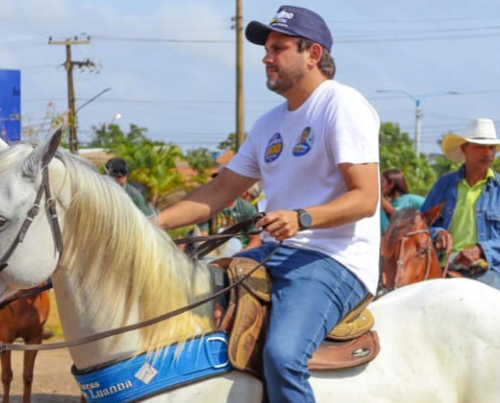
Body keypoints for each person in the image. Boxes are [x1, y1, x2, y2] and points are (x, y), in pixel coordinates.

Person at [157, 6, 380, 402]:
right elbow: (217, 192)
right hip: (277, 252)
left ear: (312, 53)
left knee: (282, 357)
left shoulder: (341, 105)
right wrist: (152, 224)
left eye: (278, 48)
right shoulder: (269, 124)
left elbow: (365, 198)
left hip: (335, 259)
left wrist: (302, 218)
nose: (266, 57)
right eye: (267, 49)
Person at [420, 118, 500, 294]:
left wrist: (481, 250)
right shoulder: (444, 185)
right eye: (480, 147)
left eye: (491, 148)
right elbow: (420, 224)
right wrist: (437, 232)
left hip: (491, 270)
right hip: (443, 265)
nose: (487, 153)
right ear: (464, 149)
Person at [380, 169, 425, 234]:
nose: (379, 186)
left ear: (391, 184)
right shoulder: (381, 210)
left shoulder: (411, 200)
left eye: (381, 182)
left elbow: (431, 209)